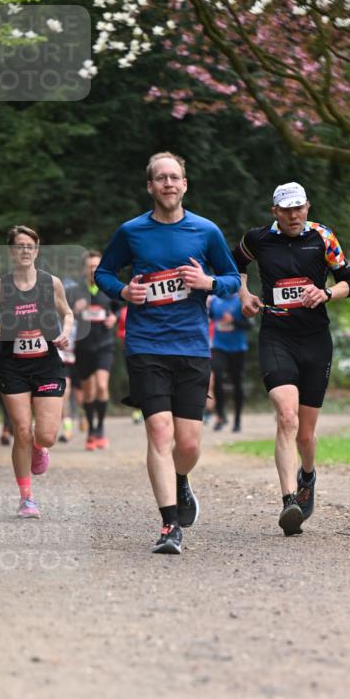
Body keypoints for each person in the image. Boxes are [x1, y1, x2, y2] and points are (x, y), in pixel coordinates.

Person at [94, 150, 241, 555]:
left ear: (185, 184)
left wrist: (207, 281)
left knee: (188, 443)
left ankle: (180, 479)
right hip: (146, 345)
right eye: (161, 178)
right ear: (150, 186)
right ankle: (169, 525)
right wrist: (123, 291)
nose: (168, 184)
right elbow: (103, 272)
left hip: (192, 346)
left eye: (175, 177)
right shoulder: (131, 232)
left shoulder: (206, 231)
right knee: (159, 432)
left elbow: (231, 279)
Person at [234, 181, 350, 536]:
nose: (293, 215)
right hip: (276, 335)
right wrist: (244, 292)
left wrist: (327, 292)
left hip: (316, 340)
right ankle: (289, 500)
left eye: (299, 208)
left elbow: (349, 281)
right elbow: (234, 262)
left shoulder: (322, 237)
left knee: (305, 433)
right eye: (286, 209)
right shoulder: (258, 239)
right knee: (286, 414)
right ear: (275, 212)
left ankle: (307, 476)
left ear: (307, 207)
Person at [0, 225, 73, 518]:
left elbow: (67, 312)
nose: (25, 251)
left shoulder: (50, 283)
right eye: (19, 246)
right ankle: (27, 498)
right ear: (11, 251)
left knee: (47, 435)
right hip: (12, 364)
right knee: (21, 430)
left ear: (37, 250)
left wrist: (66, 332)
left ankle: (40, 448)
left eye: (30, 246)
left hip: (46, 363)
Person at [67, 250, 119, 450]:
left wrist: (114, 317)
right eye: (89, 266)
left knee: (102, 386)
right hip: (83, 347)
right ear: (83, 269)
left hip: (105, 345)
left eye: (96, 266)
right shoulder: (74, 291)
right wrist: (75, 311)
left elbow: (118, 308)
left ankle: (100, 428)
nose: (92, 270)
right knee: (88, 392)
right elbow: (63, 314)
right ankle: (90, 432)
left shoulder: (109, 287)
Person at [208, 292, 250, 432]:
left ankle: (237, 420)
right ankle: (221, 416)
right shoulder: (214, 301)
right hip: (219, 347)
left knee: (237, 383)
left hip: (238, 348)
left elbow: (248, 325)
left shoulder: (240, 301)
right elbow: (210, 319)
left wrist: (233, 321)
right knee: (217, 380)